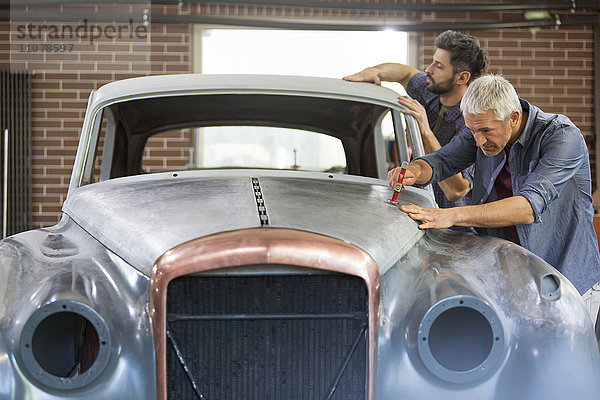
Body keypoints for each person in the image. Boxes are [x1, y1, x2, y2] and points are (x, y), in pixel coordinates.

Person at [391, 74, 600, 321]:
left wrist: (451, 215)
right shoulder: (481, 134)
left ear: (513, 117)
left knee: (564, 358)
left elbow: (528, 207)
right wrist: (415, 171)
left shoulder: (561, 137)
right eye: (472, 130)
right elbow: (443, 161)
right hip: (509, 278)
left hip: (564, 281)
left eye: (485, 131)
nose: (478, 141)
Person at [344, 30, 489, 223]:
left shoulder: (473, 123)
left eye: (438, 66)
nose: (428, 69)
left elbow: (457, 190)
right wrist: (374, 71)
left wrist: (424, 129)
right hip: (416, 212)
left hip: (451, 230)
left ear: (461, 78)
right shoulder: (429, 91)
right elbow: (405, 73)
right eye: (432, 61)